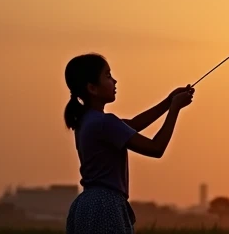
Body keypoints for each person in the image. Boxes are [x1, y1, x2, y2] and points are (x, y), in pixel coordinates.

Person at [63, 53, 196, 234]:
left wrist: (168, 102)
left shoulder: (87, 120)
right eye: (108, 76)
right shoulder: (104, 123)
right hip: (105, 206)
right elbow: (156, 148)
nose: (115, 81)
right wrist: (174, 109)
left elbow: (133, 124)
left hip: (86, 205)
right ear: (92, 88)